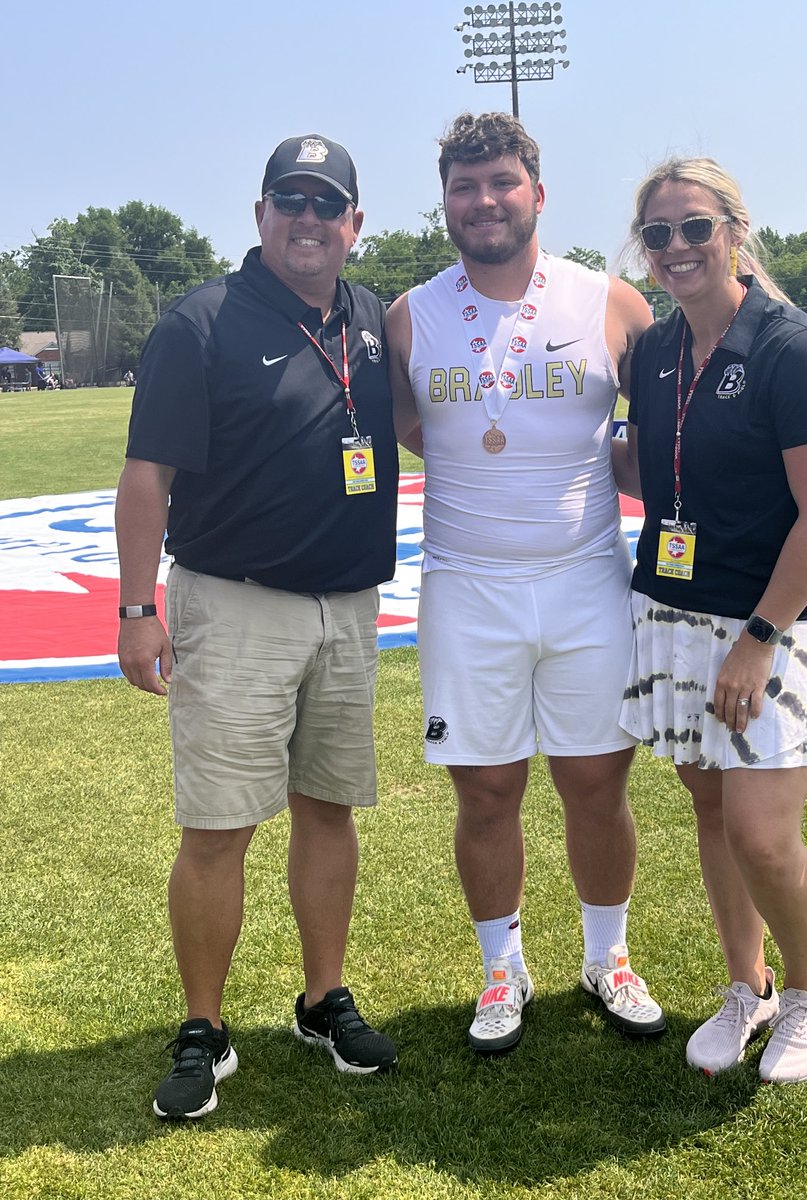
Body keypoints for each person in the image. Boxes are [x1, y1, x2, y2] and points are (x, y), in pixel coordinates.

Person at [115, 133, 400, 1119]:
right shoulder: (201, 322)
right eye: (290, 200)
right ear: (260, 215)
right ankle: (204, 1024)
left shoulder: (370, 319)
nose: (308, 219)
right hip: (232, 603)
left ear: (355, 226)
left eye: (327, 204)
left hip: (350, 605)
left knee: (329, 809)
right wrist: (137, 608)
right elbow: (146, 477)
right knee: (218, 829)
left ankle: (323, 1001)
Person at [386, 111, 665, 1054]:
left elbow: (653, 437)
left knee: (596, 784)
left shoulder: (611, 303)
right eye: (465, 188)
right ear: (446, 204)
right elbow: (411, 430)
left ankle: (607, 956)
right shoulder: (409, 315)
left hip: (588, 578)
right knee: (488, 792)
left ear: (537, 194)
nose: (484, 201)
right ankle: (501, 966)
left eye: (501, 183)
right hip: (466, 587)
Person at [617, 157, 807, 1083]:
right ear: (643, 250)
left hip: (774, 626)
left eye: (696, 227)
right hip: (677, 614)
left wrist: (756, 641)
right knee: (713, 811)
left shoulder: (795, 347)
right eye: (660, 233)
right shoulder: (651, 350)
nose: (679, 247)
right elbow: (648, 472)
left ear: (735, 230)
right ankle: (749, 986)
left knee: (764, 833)